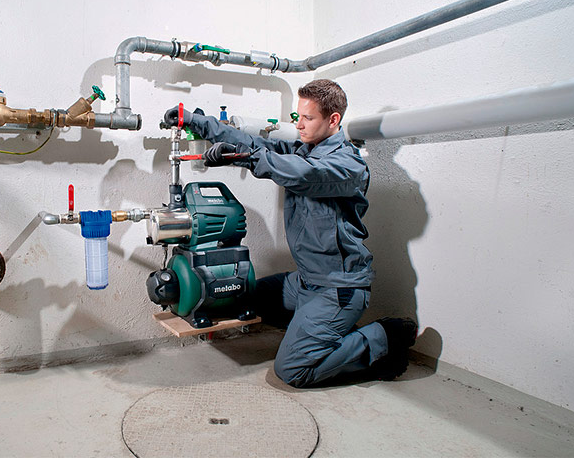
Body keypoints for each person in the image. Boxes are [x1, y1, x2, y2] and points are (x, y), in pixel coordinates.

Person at [163, 79, 417, 387]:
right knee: (243, 297)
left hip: (338, 289)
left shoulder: (347, 166)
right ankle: (316, 335)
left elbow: (305, 175)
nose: (298, 125)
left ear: (333, 119)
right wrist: (195, 121)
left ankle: (382, 337)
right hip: (306, 281)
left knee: (292, 372)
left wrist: (244, 158)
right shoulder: (304, 151)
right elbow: (250, 142)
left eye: (308, 118)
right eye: (298, 116)